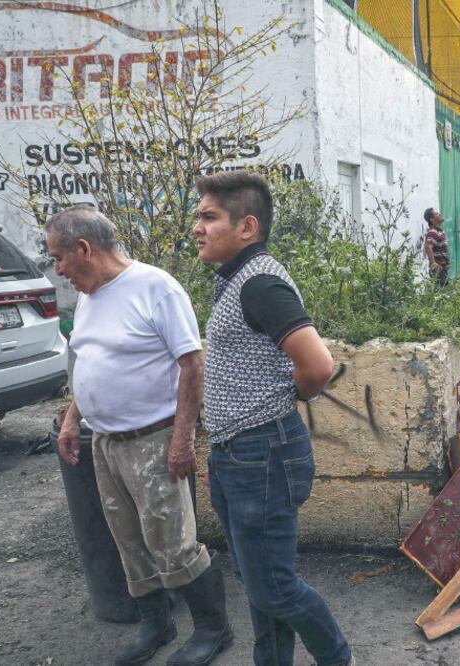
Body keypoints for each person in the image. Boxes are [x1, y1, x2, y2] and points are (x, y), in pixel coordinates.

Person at [50, 205, 232, 666]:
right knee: (129, 541)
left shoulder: (155, 287)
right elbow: (89, 361)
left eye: (59, 257)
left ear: (84, 249)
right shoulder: (90, 295)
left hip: (154, 439)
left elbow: (192, 364)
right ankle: (157, 623)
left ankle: (214, 630)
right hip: (106, 443)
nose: (57, 269)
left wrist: (183, 440)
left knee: (175, 542)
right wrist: (74, 419)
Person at [193, 170, 353, 666]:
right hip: (237, 453)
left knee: (274, 587)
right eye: (198, 215)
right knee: (258, 580)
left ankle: (336, 657)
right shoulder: (238, 279)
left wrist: (285, 397)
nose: (196, 226)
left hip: (260, 452)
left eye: (208, 216)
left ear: (247, 226)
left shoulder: (260, 282)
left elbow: (319, 366)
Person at [423, 207, 450, 286]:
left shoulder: (439, 232)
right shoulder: (432, 232)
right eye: (437, 214)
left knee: (444, 293)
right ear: (431, 219)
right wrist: (433, 263)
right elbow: (428, 247)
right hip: (438, 270)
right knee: (440, 293)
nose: (440, 214)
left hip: (443, 268)